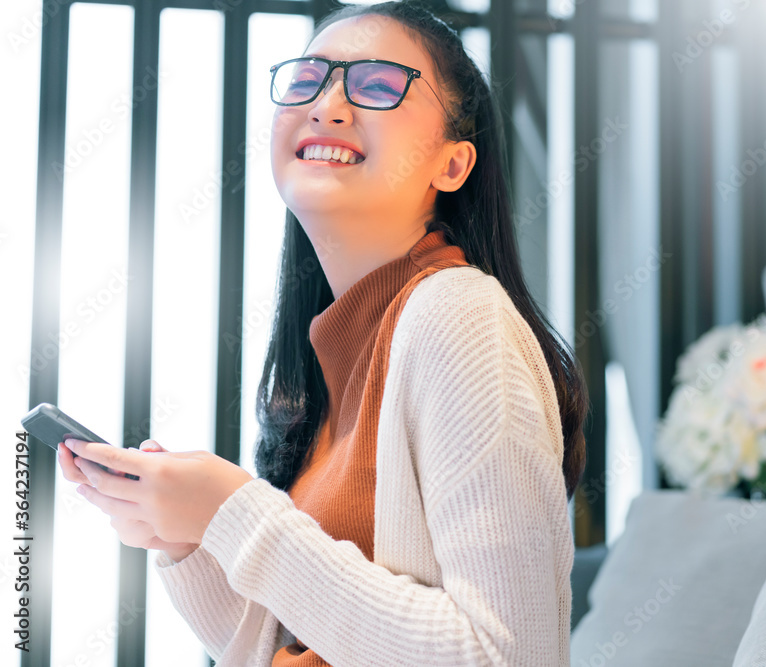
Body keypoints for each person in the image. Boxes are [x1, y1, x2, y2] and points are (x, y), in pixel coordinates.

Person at [56, 2, 589, 665]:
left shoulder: (460, 315)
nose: (327, 103)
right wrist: (185, 536)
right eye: (308, 78)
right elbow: (298, 643)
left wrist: (237, 509)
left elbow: (508, 655)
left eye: (376, 84)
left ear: (452, 165)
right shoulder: (339, 352)